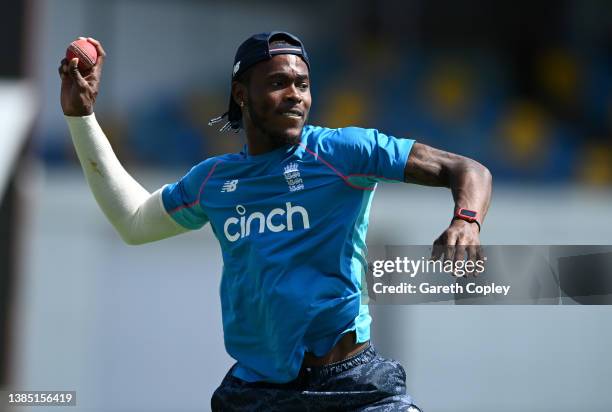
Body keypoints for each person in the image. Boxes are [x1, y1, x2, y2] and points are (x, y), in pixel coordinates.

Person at [59, 32, 492, 411]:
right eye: (278, 83)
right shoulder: (214, 179)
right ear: (241, 93)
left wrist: (466, 221)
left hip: (352, 387)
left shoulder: (343, 152)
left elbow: (467, 169)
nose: (295, 95)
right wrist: (81, 117)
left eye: (302, 84)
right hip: (256, 394)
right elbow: (133, 222)